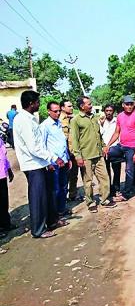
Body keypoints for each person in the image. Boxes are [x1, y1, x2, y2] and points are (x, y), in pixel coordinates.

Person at [13, 90, 68, 238]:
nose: (39, 104)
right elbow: (34, 147)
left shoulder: (31, 118)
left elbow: (39, 145)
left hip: (40, 163)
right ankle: (38, 230)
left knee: (49, 193)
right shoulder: (23, 120)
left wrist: (47, 162)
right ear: (31, 103)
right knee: (38, 198)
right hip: (32, 165)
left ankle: (52, 221)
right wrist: (54, 158)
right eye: (37, 102)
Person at [71, 96, 116, 212]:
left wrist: (104, 146)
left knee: (105, 178)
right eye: (89, 104)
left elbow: (98, 135)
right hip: (86, 156)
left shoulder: (94, 118)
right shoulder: (76, 120)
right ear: (82, 106)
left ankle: (105, 199)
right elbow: (74, 140)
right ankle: (90, 202)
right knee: (88, 181)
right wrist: (78, 156)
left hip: (98, 155)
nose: (91, 106)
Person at [104, 95, 135, 201]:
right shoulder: (120, 116)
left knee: (129, 170)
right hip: (121, 146)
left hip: (132, 148)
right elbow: (117, 133)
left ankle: (125, 194)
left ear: (134, 105)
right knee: (108, 155)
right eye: (127, 104)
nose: (129, 106)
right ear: (123, 105)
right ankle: (112, 187)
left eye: (131, 104)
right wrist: (108, 146)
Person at [40, 101, 72, 218]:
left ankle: (61, 209)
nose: (58, 113)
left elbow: (63, 143)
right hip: (54, 163)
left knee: (64, 187)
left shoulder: (59, 123)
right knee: (55, 189)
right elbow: (42, 146)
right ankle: (55, 214)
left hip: (63, 161)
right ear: (49, 111)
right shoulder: (44, 126)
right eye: (55, 111)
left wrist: (68, 158)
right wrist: (48, 163)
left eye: (59, 111)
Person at [59, 99, 82, 201]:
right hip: (65, 153)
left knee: (74, 174)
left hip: (74, 152)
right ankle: (62, 199)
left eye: (72, 106)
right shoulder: (59, 120)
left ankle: (73, 194)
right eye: (69, 106)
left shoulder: (74, 119)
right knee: (64, 177)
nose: (71, 108)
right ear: (62, 108)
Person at [99, 104, 121, 199]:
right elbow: (99, 134)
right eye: (106, 110)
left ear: (113, 111)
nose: (108, 112)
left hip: (115, 148)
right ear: (104, 111)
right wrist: (102, 124)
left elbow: (119, 133)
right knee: (106, 171)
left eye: (110, 110)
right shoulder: (99, 122)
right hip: (103, 149)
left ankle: (116, 189)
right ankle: (108, 191)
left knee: (116, 170)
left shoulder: (117, 121)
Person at [0, 138, 15, 239]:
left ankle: (6, 223)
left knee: (4, 200)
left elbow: (3, 155)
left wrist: (9, 169)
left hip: (2, 173)